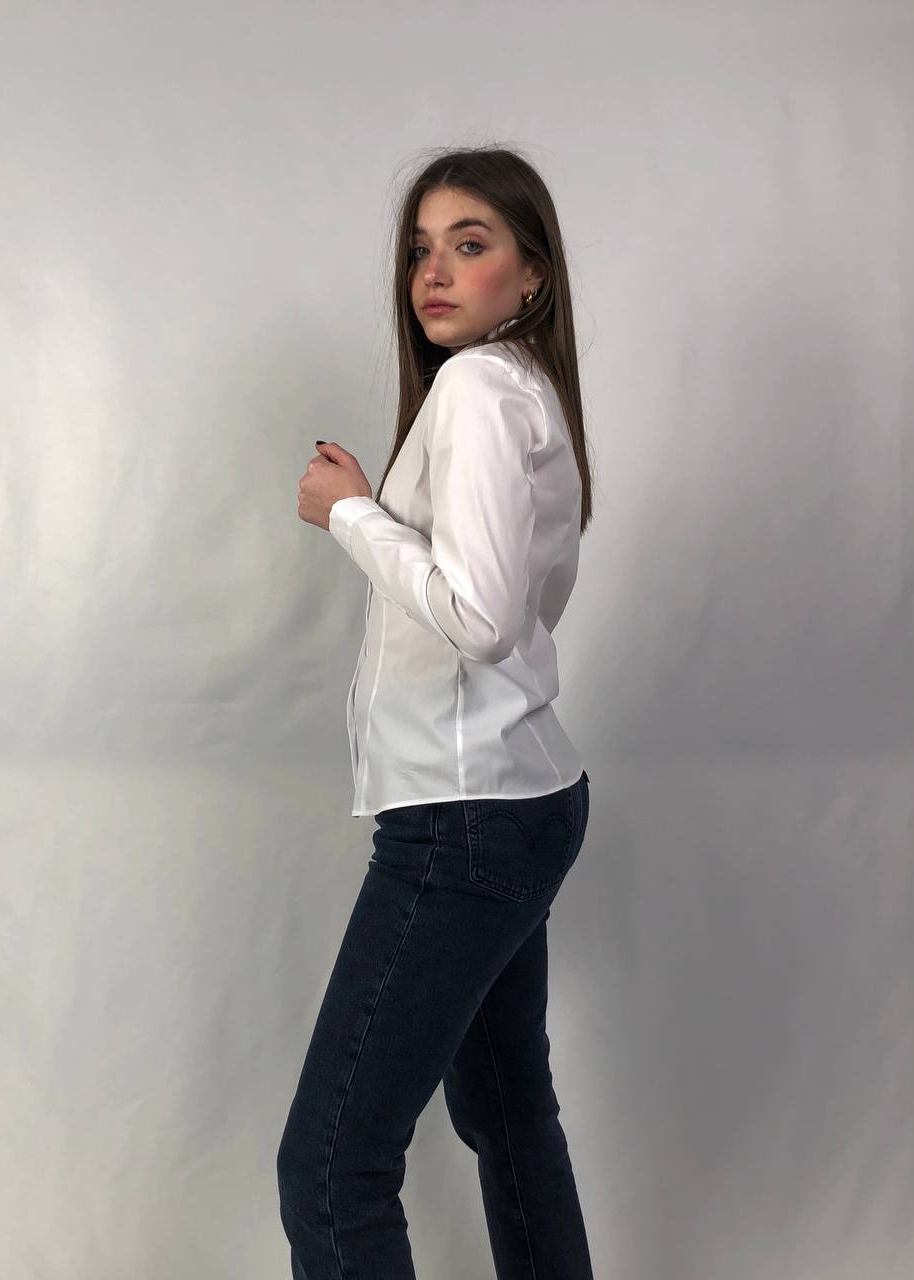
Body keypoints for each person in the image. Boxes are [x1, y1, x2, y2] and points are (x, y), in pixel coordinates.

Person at [280, 145, 596, 1279]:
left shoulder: (477, 389)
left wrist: (350, 512)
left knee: (331, 1165)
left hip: (464, 819)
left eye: (470, 244)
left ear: (532, 273)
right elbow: (505, 607)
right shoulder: (520, 387)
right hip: (517, 797)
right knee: (508, 1117)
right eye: (421, 249)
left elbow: (479, 617)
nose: (434, 271)